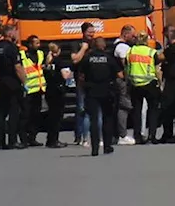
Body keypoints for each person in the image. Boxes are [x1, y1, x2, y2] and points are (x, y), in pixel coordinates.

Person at [72, 23, 121, 155]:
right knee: (107, 118)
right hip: (107, 91)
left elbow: (81, 75)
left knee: (93, 118)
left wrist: (83, 86)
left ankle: (94, 149)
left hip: (91, 91)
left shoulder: (88, 58)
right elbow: (120, 74)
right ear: (104, 46)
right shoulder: (109, 58)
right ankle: (107, 146)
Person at [0, 25, 27, 149]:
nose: (17, 35)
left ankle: (0, 140)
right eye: (16, 32)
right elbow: (17, 67)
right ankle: (12, 140)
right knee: (14, 112)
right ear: (10, 33)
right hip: (13, 82)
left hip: (1, 82)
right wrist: (24, 81)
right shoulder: (12, 48)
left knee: (1, 112)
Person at [125, 32, 162, 143]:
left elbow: (127, 67)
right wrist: (160, 83)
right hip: (150, 83)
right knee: (153, 110)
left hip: (135, 83)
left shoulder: (130, 51)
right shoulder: (152, 52)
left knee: (136, 111)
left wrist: (128, 82)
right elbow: (157, 70)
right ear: (146, 40)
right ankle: (152, 135)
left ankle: (138, 136)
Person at [20, 35, 45, 147]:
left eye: (39, 43)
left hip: (38, 89)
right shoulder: (22, 56)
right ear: (30, 44)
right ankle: (23, 139)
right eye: (36, 43)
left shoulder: (40, 54)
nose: (38, 45)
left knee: (36, 115)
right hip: (27, 89)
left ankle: (32, 137)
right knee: (26, 115)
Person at [112, 25, 136, 145]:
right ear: (125, 34)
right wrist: (128, 78)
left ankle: (116, 134)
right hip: (122, 81)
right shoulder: (123, 47)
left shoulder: (115, 44)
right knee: (124, 107)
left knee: (119, 106)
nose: (134, 38)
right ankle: (122, 135)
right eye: (132, 35)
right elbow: (124, 64)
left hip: (116, 80)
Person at [41, 42, 67, 148]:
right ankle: (53, 140)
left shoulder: (46, 63)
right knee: (57, 117)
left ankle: (50, 139)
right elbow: (65, 75)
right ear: (59, 50)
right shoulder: (59, 61)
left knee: (51, 115)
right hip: (58, 91)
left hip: (49, 90)